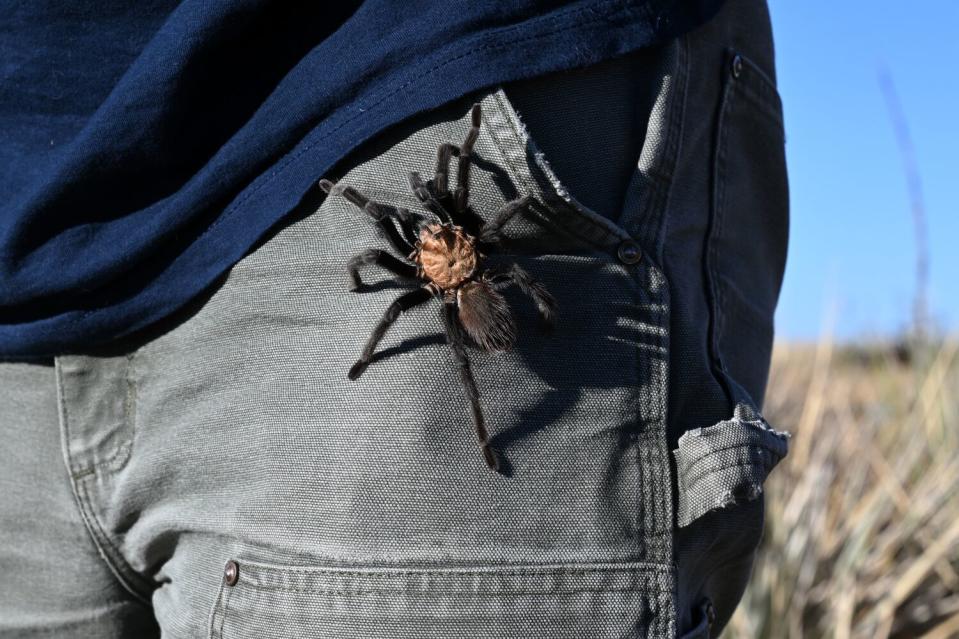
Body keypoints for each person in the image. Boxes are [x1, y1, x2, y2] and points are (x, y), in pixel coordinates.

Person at [0, 0, 790, 636]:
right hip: (30, 263)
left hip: (442, 50)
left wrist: (396, 187)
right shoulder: (441, 260)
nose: (434, 236)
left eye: (441, 236)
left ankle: (484, 430)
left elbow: (474, 199)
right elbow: (412, 242)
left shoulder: (456, 251)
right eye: (433, 240)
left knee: (468, 343)